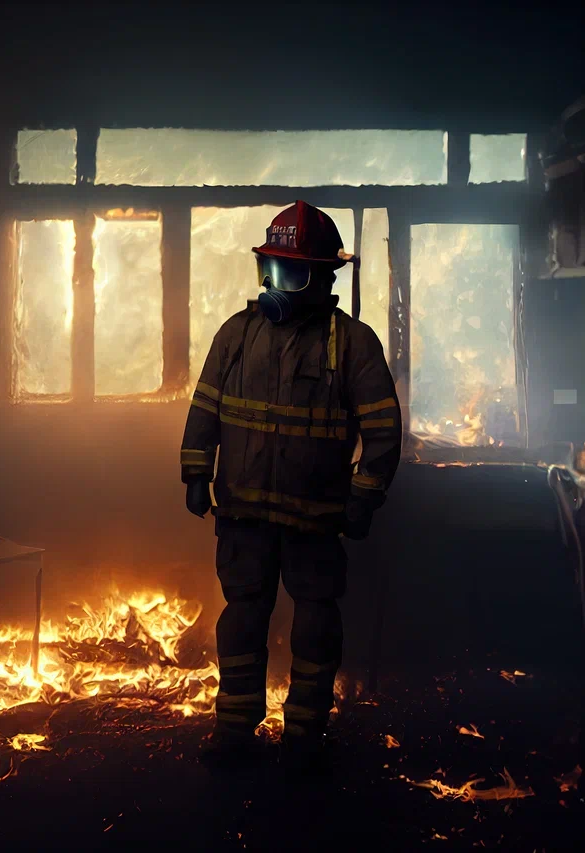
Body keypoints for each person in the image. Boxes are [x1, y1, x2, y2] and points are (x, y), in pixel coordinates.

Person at [179, 201, 402, 771]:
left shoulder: (351, 344)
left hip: (315, 520)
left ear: (324, 278)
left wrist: (362, 500)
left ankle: (305, 732)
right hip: (244, 515)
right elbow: (204, 410)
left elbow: (382, 433)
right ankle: (233, 729)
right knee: (243, 617)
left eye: (292, 272)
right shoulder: (236, 334)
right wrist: (195, 471)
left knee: (315, 623)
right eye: (271, 269)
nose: (277, 284)